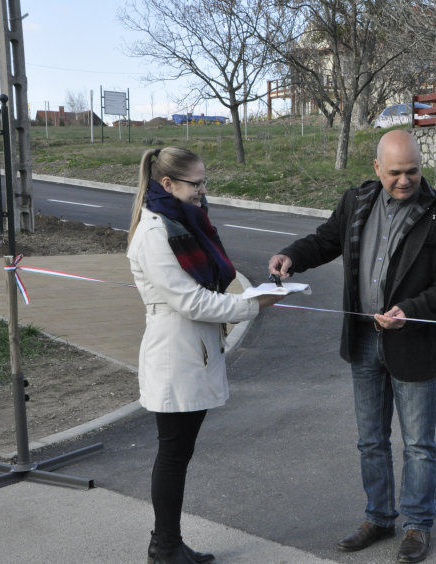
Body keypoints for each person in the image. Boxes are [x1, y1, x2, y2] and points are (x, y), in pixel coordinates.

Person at [268, 130, 436, 563]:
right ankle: (379, 517)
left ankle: (417, 524)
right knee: (371, 440)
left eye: (412, 171)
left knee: (418, 444)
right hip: (362, 343)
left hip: (412, 344)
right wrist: (291, 256)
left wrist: (408, 309)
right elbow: (324, 241)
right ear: (377, 169)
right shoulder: (356, 202)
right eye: (394, 172)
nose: (404, 180)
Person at [127, 147, 282, 564]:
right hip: (175, 353)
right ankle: (164, 548)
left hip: (191, 349)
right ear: (168, 185)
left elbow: (202, 295)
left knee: (178, 453)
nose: (203, 190)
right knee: (173, 453)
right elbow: (190, 301)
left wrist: (248, 299)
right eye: (196, 183)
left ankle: (170, 544)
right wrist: (252, 304)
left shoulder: (182, 223)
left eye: (203, 181)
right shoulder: (155, 231)